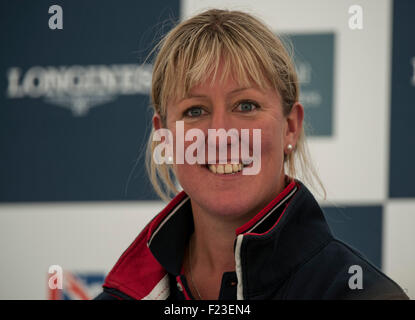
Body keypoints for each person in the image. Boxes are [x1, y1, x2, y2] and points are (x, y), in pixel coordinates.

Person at [95, 9, 408, 300]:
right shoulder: (127, 294)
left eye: (246, 106)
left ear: (290, 127)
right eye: (195, 110)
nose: (221, 134)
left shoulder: (358, 293)